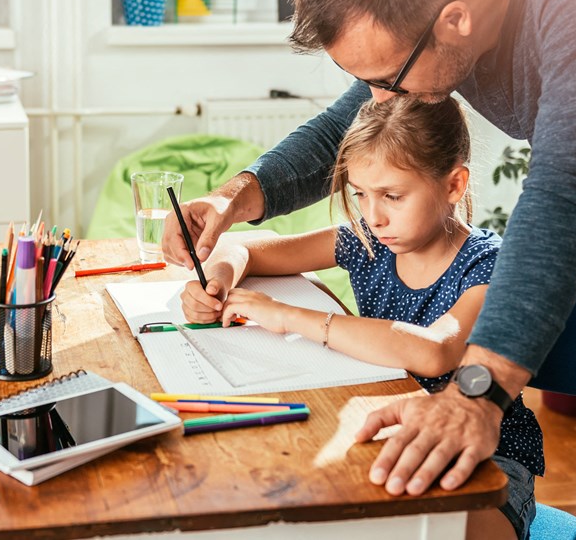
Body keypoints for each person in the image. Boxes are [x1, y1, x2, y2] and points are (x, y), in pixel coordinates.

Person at [163, 0, 576, 539]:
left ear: (454, 19)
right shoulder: (446, 4)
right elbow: (343, 127)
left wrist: (480, 392)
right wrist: (236, 196)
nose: (379, 98)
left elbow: (569, 183)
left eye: (388, 81)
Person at [182, 96, 542, 539]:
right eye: (360, 195)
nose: (374, 215)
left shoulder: (486, 264)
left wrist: (290, 316)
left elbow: (435, 351)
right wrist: (219, 275)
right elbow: (251, 249)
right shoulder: (369, 240)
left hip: (489, 461)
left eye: (392, 195)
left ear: (454, 185)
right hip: (382, 432)